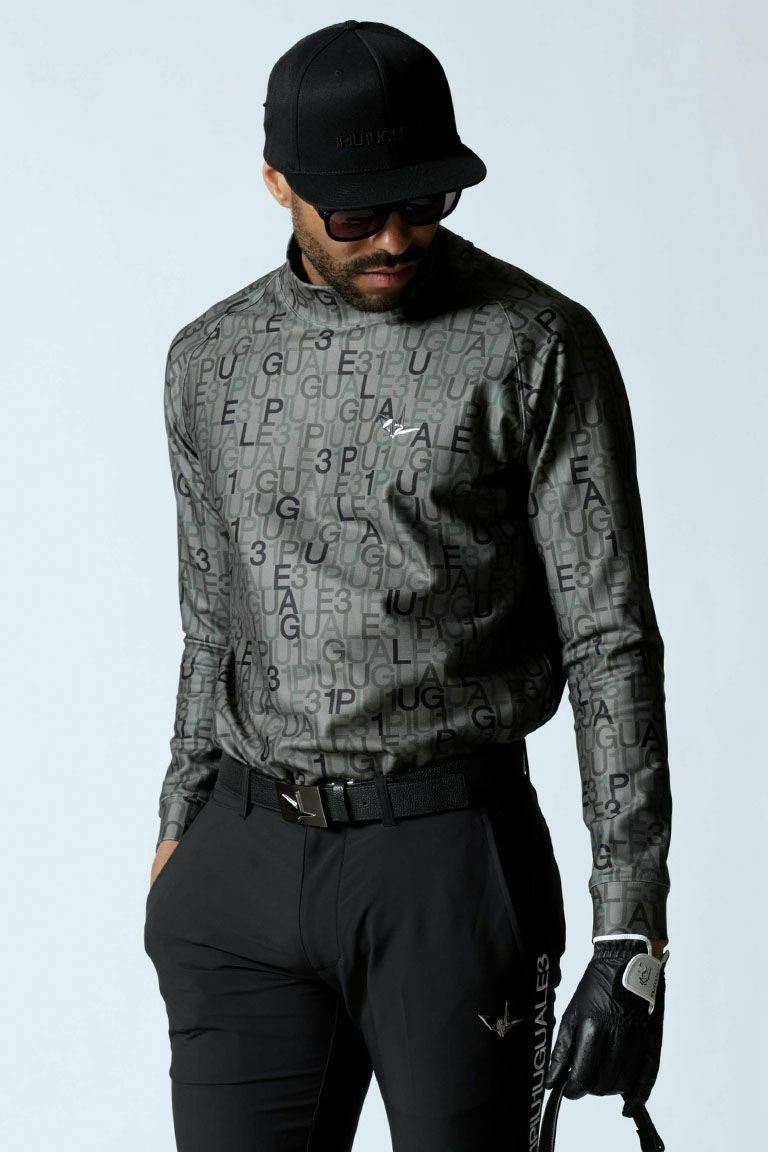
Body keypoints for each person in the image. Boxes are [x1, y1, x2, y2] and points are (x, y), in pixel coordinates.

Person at [143, 19, 672, 1152]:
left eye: (426, 203)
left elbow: (609, 639)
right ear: (280, 185)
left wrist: (629, 934)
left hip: (447, 861)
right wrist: (180, 824)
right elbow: (211, 618)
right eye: (357, 215)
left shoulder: (533, 346)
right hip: (242, 858)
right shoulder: (209, 359)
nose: (396, 238)